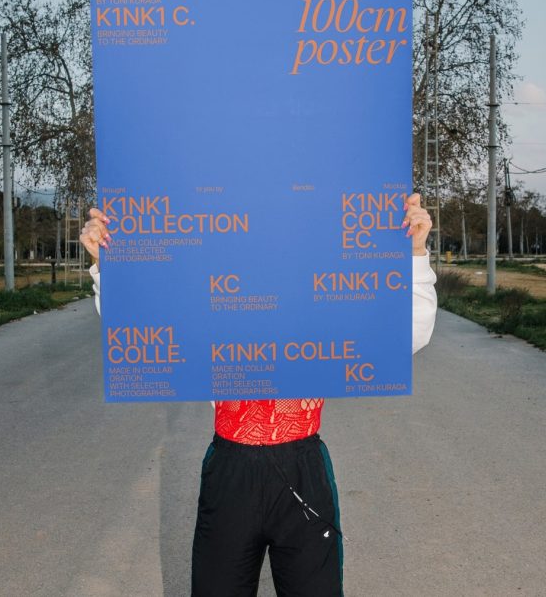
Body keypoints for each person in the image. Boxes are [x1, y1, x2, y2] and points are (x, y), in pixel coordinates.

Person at [81, 194, 437, 596]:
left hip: (303, 466)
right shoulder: (213, 296)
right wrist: (104, 264)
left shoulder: (322, 300)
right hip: (230, 471)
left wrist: (415, 251)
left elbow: (409, 333)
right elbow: (141, 328)